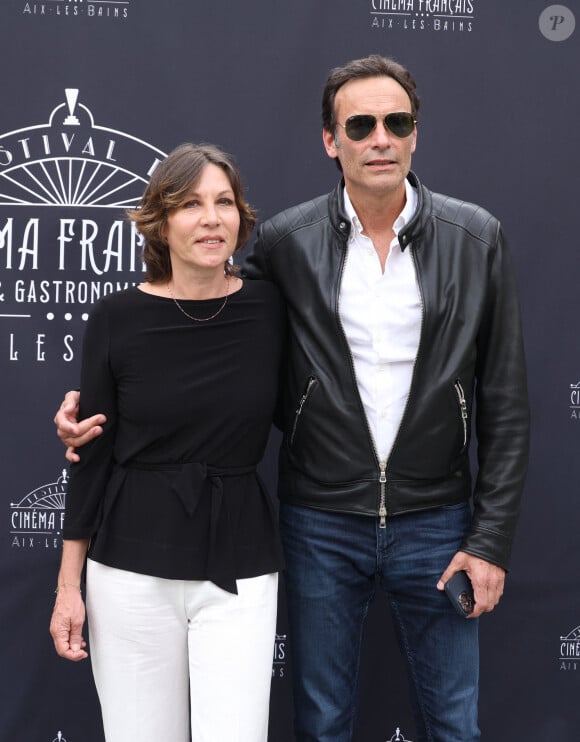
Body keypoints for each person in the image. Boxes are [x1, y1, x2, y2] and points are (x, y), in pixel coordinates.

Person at [55, 55, 530, 742]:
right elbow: (199, 331)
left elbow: (506, 404)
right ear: (330, 140)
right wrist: (95, 413)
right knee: (320, 723)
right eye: (360, 124)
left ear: (416, 133)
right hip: (319, 521)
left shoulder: (475, 238)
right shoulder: (285, 245)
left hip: (437, 521)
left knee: (455, 722)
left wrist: (488, 540)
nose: (380, 138)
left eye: (397, 123)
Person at [49, 143, 286, 742]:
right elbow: (90, 454)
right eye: (190, 204)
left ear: (241, 217)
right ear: (160, 221)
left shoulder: (271, 307)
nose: (211, 218)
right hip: (129, 567)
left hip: (239, 561)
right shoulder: (115, 317)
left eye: (224, 202)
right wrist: (67, 589)